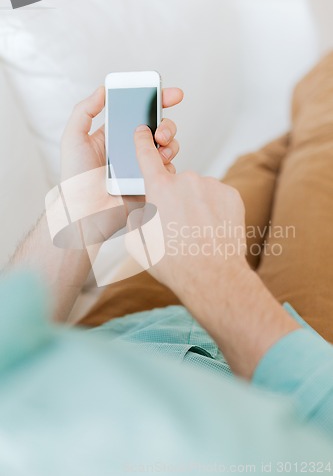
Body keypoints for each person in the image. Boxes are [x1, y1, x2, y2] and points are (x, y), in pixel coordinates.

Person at [3, 53, 333, 472]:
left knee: (254, 167)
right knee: (323, 132)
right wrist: (215, 280)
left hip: (118, 337)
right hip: (295, 370)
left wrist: (79, 214)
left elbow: (7, 349)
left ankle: (290, 140)